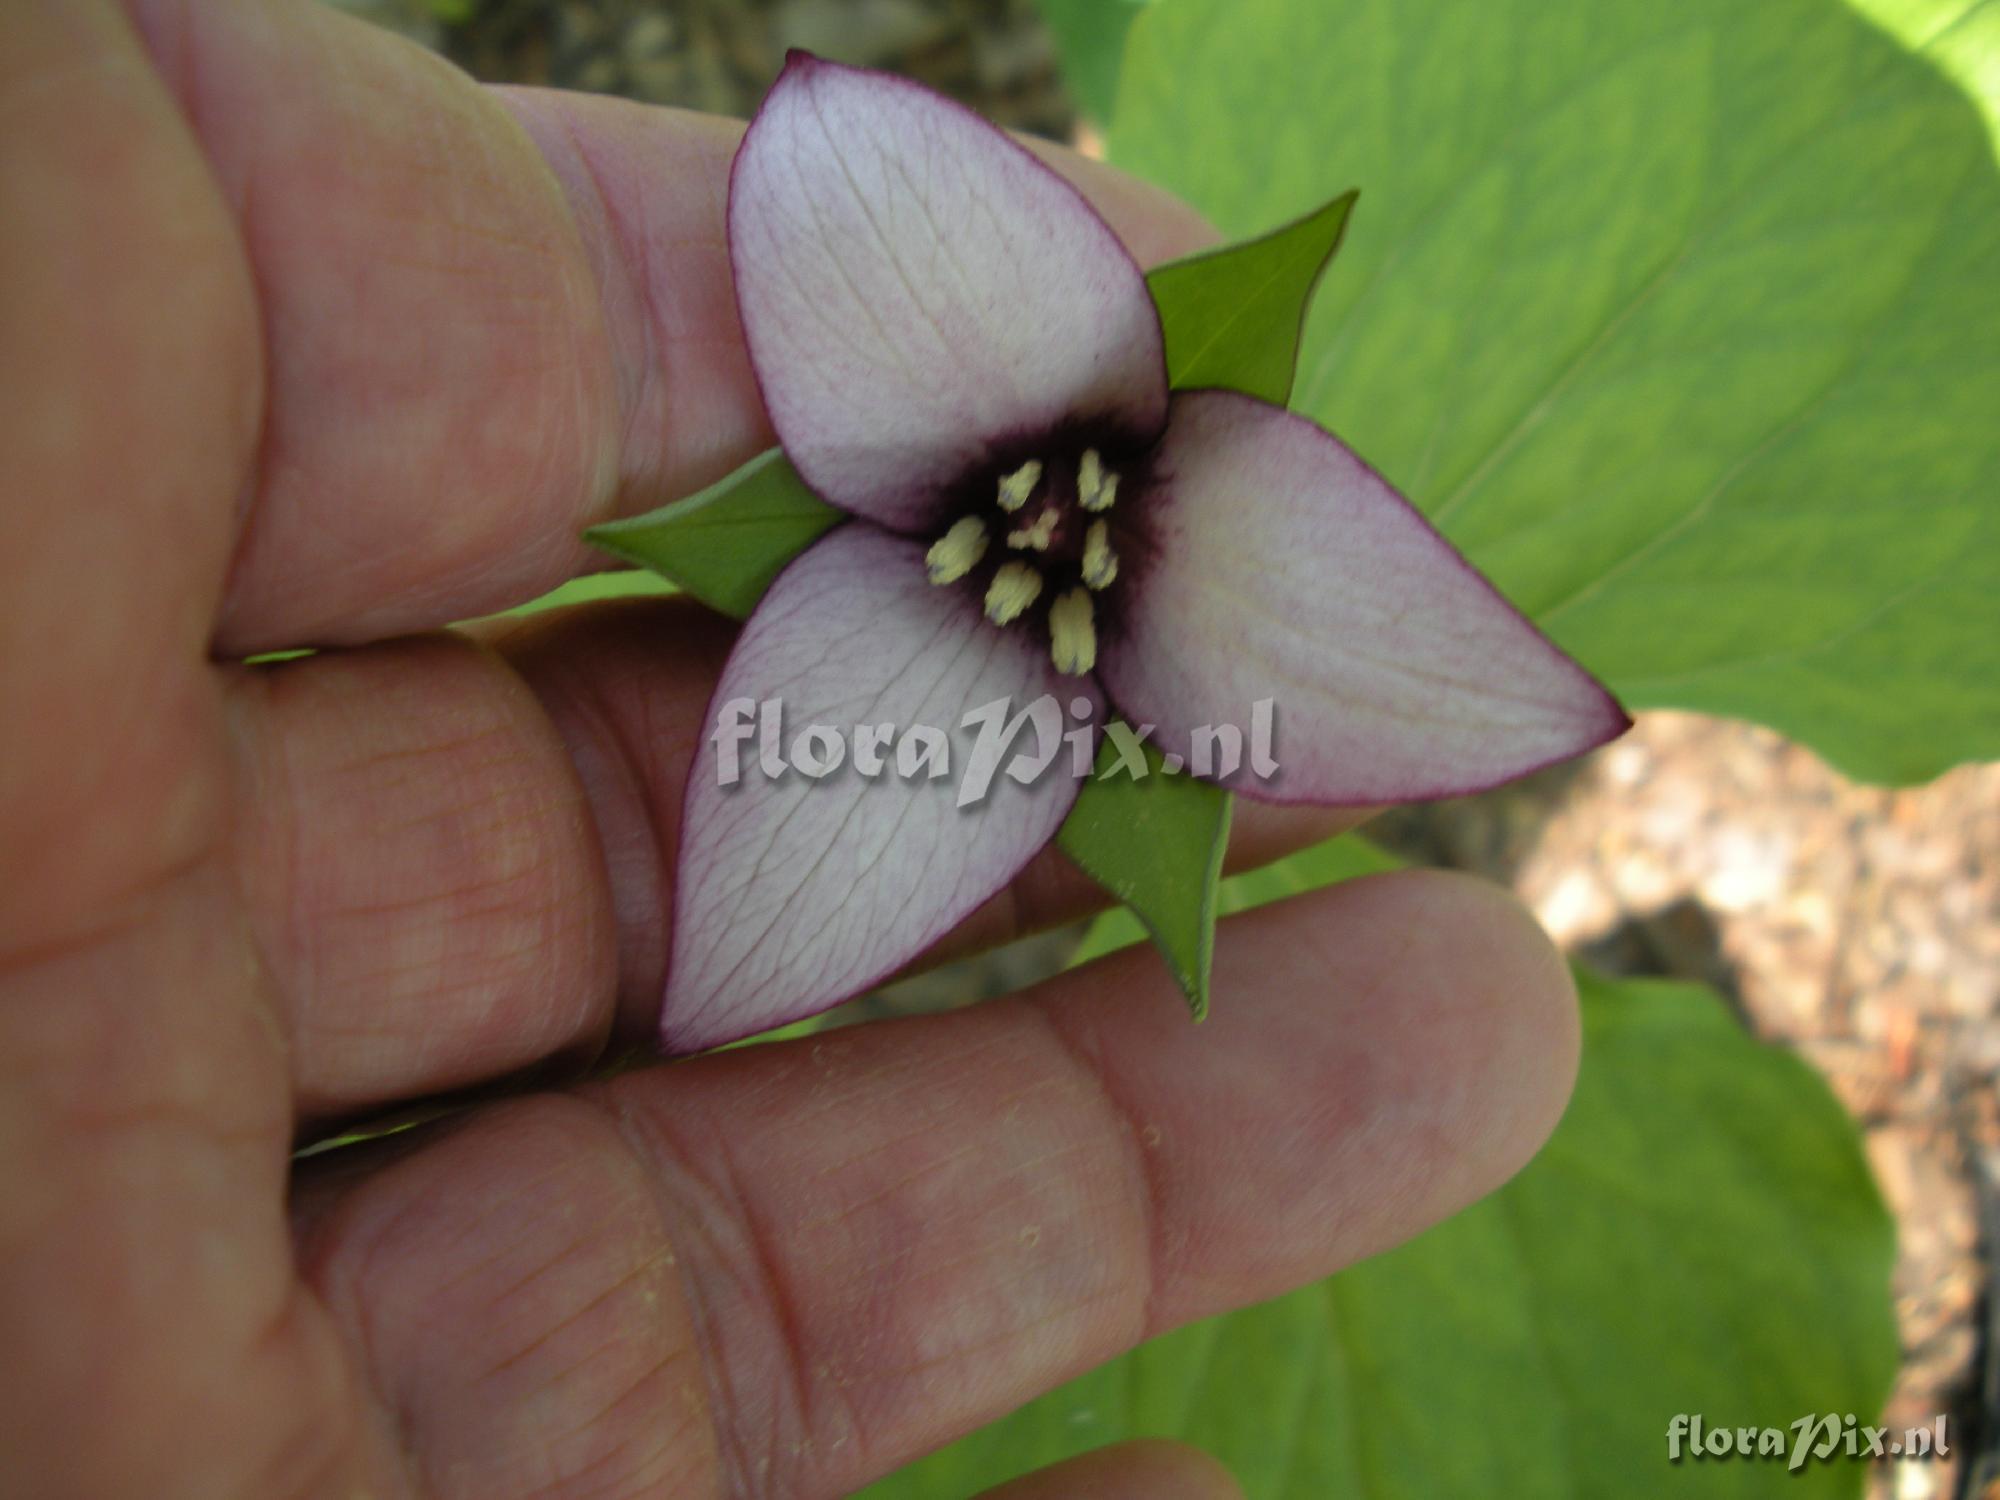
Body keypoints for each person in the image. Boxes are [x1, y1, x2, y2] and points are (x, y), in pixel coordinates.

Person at [0, 2, 1582, 1495]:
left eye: (1058, 523)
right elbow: (844, 169)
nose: (1046, 518)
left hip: (1025, 564)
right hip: (978, 570)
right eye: (1037, 518)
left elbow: (842, 155)